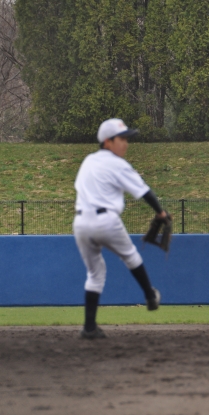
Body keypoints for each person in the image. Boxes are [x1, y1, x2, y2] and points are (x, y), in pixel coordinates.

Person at [73, 118, 167, 339]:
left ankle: (89, 328)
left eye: (127, 139)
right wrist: (160, 213)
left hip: (81, 223)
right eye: (121, 139)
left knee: (95, 274)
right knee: (131, 256)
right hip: (106, 220)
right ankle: (150, 295)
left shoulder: (88, 161)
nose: (126, 143)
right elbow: (144, 191)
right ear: (107, 142)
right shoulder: (117, 164)